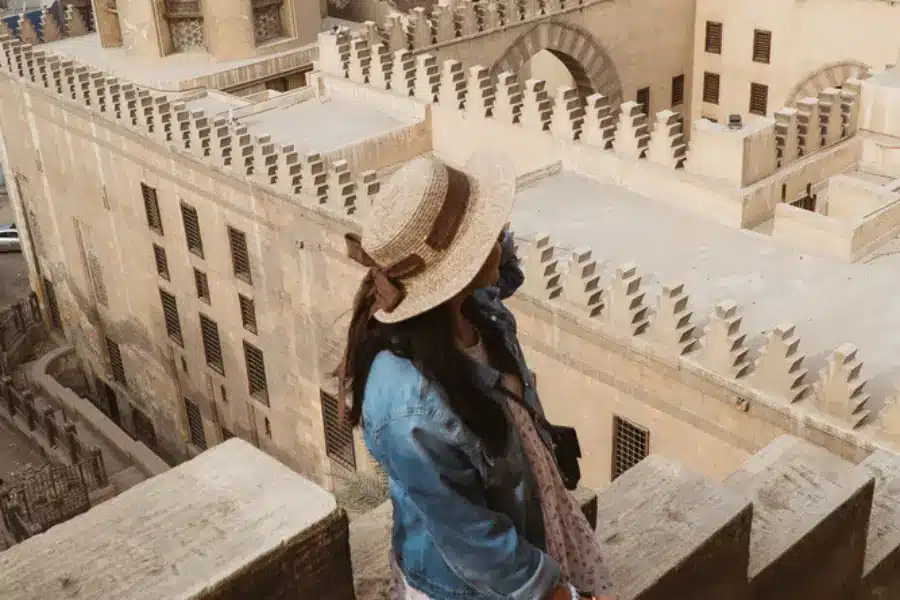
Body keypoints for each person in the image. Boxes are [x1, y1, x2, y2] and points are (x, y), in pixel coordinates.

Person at [335, 152, 616, 600]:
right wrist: (557, 595)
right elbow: (473, 543)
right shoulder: (410, 406)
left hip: (530, 509)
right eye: (480, 237)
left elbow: (504, 270)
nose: (497, 238)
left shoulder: (472, 306)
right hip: (469, 584)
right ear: (450, 276)